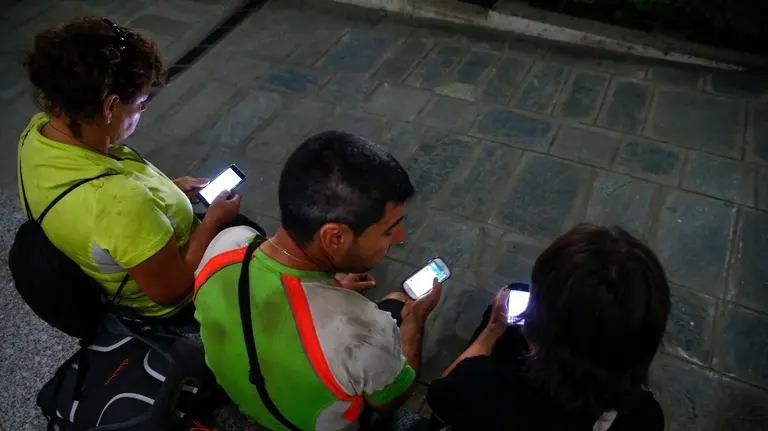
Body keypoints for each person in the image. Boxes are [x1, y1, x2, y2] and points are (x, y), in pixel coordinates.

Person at [193, 131, 443, 431]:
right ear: (335, 238)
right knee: (396, 304)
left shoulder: (226, 245)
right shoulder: (363, 329)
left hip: (247, 400)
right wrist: (414, 323)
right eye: (389, 230)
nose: (399, 238)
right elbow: (389, 401)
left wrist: (331, 290)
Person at [18, 17, 256, 325]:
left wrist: (167, 192)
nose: (142, 110)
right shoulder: (118, 200)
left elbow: (107, 222)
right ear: (110, 106)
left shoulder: (37, 135)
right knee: (251, 239)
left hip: (130, 240)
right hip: (181, 303)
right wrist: (213, 221)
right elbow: (173, 290)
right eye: (141, 103)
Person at [427, 224, 670, 431]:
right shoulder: (646, 418)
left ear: (535, 338)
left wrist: (491, 331)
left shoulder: (478, 384)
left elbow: (439, 403)